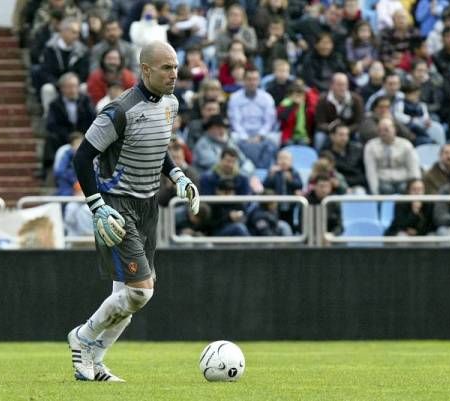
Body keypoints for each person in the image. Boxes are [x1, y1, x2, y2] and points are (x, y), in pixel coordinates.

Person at [67, 41, 199, 382]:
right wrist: (97, 207)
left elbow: (159, 148)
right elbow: (82, 157)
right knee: (141, 291)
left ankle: (95, 364)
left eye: (175, 66)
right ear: (145, 70)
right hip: (117, 205)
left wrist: (178, 175)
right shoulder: (119, 110)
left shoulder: (171, 103)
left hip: (148, 203)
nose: (174, 74)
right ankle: (82, 338)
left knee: (129, 292)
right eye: (166, 68)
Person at [44, 72, 95, 174]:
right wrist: (70, 137)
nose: (73, 90)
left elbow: (93, 120)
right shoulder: (55, 104)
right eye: (69, 87)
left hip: (84, 136)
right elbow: (51, 125)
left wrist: (81, 137)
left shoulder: (86, 100)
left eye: (75, 86)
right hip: (63, 138)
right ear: (62, 88)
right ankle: (48, 171)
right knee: (50, 138)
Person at [227, 67, 278, 169]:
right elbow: (235, 122)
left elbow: (269, 121)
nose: (252, 82)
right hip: (241, 135)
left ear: (259, 81)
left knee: (273, 143)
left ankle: (262, 170)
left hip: (262, 135)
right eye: (249, 79)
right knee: (231, 142)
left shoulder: (267, 98)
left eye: (255, 79)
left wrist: (260, 136)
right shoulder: (235, 98)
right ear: (243, 81)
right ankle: (243, 168)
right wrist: (245, 137)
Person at [364, 117, 421, 194]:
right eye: (380, 130)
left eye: (386, 130)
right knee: (386, 190)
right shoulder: (370, 146)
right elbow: (371, 171)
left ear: (394, 129)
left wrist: (415, 183)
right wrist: (375, 192)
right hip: (383, 181)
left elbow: (413, 166)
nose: (383, 133)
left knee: (405, 189)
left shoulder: (406, 144)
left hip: (403, 179)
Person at [314, 73, 364, 150]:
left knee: (358, 137)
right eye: (339, 85)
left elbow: (359, 122)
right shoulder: (323, 100)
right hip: (329, 132)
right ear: (332, 85)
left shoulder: (356, 100)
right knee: (319, 138)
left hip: (349, 131)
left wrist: (347, 130)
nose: (342, 88)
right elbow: (320, 123)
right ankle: (320, 160)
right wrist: (333, 129)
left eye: (344, 85)